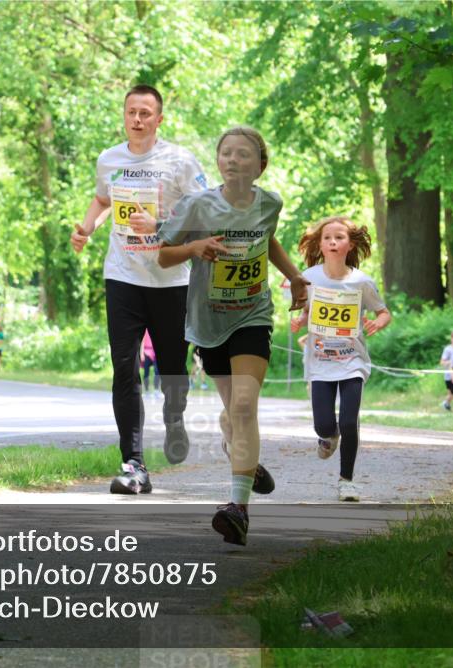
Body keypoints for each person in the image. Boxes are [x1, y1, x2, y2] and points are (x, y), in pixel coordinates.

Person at [159, 125, 309, 544]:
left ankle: (237, 508)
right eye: (226, 152)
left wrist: (295, 277)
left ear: (260, 165)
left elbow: (268, 241)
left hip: (252, 316)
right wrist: (194, 248)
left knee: (244, 407)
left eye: (243, 154)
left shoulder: (270, 203)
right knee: (233, 415)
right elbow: (164, 253)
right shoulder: (196, 206)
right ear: (218, 161)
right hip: (208, 325)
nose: (232, 159)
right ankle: (241, 451)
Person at [70, 84, 209, 492]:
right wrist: (87, 229)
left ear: (159, 119)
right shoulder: (108, 159)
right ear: (124, 115)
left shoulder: (180, 161)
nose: (137, 119)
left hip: (170, 278)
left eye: (146, 113)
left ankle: (174, 418)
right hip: (123, 274)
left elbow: (205, 210)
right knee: (125, 369)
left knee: (171, 367)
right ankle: (133, 465)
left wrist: (164, 228)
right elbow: (101, 200)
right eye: (132, 111)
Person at [290, 216, 391, 504]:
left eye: (340, 237)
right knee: (324, 425)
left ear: (351, 244)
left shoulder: (361, 282)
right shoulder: (309, 277)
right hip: (320, 362)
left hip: (352, 362)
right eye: (328, 238)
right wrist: (301, 320)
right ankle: (327, 436)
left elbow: (384, 312)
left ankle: (347, 480)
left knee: (349, 421)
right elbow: (308, 309)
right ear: (320, 245)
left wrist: (377, 323)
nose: (333, 242)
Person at [140, 329, 160, 398]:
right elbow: (142, 340)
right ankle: (146, 391)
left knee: (157, 371)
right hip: (146, 352)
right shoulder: (145, 329)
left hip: (155, 352)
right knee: (146, 372)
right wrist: (141, 353)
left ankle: (156, 390)